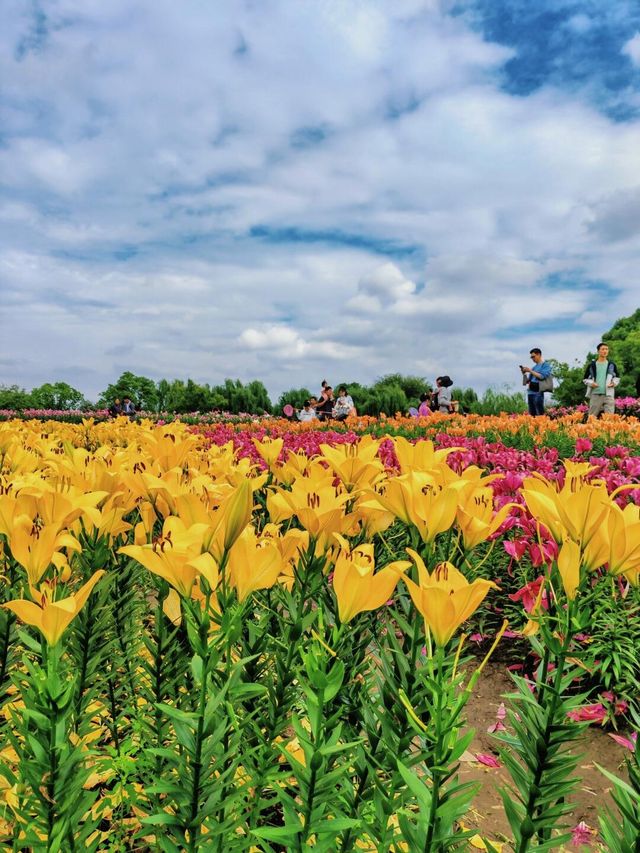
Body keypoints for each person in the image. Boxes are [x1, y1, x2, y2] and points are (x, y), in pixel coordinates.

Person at [583, 342, 620, 417]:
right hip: (595, 395)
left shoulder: (611, 365)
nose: (605, 351)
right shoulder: (592, 365)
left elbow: (617, 378)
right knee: (592, 418)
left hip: (608, 395)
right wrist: (591, 383)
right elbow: (585, 379)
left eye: (606, 349)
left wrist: (613, 383)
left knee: (609, 419)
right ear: (598, 351)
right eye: (603, 349)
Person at [521, 348, 552, 417]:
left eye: (533, 356)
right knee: (532, 415)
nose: (532, 359)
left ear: (539, 355)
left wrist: (530, 371)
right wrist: (524, 373)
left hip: (538, 392)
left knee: (540, 414)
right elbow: (526, 382)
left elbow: (542, 377)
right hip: (530, 392)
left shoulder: (545, 365)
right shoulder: (534, 367)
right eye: (531, 357)